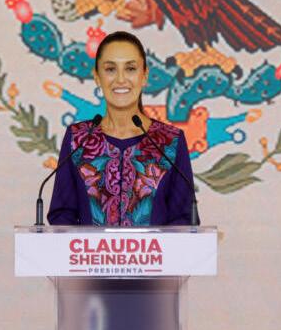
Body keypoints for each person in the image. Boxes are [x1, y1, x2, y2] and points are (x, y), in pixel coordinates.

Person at [47, 31, 194, 226]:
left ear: (144, 76)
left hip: (157, 248)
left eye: (130, 68)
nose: (121, 79)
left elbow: (184, 219)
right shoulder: (78, 139)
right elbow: (62, 216)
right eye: (110, 69)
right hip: (89, 248)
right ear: (97, 77)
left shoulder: (170, 141)